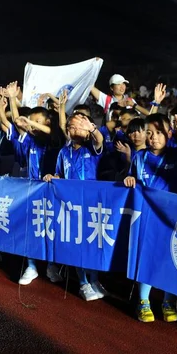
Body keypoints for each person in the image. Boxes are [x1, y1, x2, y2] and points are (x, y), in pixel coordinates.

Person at [124, 106, 177, 323]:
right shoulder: (139, 156)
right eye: (149, 132)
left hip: (173, 219)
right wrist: (129, 180)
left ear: (169, 134)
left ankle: (168, 300)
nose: (153, 137)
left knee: (172, 259)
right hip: (147, 218)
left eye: (159, 132)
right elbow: (131, 179)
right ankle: (143, 301)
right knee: (147, 258)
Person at [4, 82, 64, 284]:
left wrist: (33, 124)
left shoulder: (54, 139)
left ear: (47, 121)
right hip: (30, 190)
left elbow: (49, 131)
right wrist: (13, 99)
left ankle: (50, 265)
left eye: (37, 121)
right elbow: (18, 121)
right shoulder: (29, 139)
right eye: (32, 121)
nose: (32, 125)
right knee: (30, 228)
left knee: (50, 229)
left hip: (50, 190)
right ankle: (31, 266)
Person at [43, 113, 106, 301]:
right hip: (71, 206)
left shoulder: (92, 148)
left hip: (92, 204)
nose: (75, 129)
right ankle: (83, 283)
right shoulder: (63, 152)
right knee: (77, 243)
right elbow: (59, 174)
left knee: (93, 243)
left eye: (80, 125)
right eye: (71, 126)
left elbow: (100, 139)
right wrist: (52, 177)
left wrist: (92, 129)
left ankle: (94, 280)